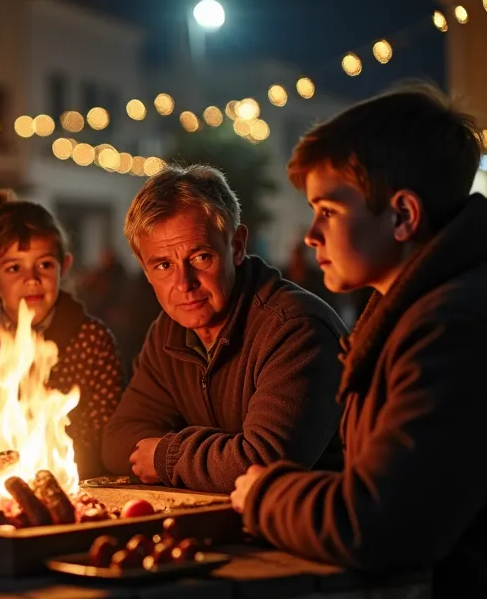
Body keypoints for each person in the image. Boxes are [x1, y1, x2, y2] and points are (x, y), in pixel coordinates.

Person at [230, 87, 487, 599]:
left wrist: (264, 493)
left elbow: (378, 524)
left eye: (329, 211)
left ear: (403, 215)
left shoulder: (462, 328)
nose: (311, 234)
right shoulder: (425, 311)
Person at [101, 165, 345, 493]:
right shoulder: (168, 332)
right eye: (163, 265)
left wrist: (167, 455)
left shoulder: (296, 329)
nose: (183, 284)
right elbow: (118, 442)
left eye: (201, 258)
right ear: (144, 269)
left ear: (238, 245)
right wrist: (217, 459)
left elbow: (262, 464)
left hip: (309, 535)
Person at [0, 190, 124, 478]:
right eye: (14, 267)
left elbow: (105, 430)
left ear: (63, 267)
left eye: (44, 265)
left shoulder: (92, 341)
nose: (32, 279)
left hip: (77, 482)